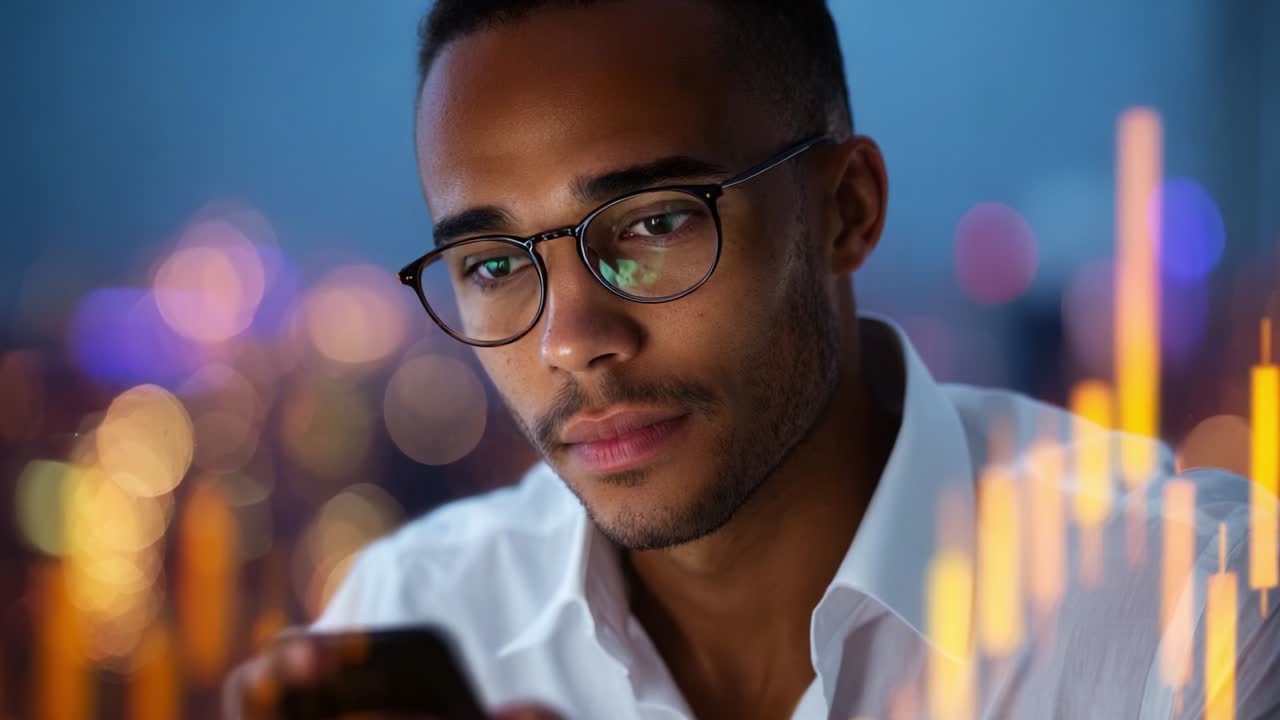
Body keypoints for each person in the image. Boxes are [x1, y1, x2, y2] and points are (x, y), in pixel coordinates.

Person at [224, 1, 1280, 718]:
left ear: (845, 210)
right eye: (493, 264)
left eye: (650, 225)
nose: (571, 341)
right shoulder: (419, 612)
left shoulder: (1194, 616)